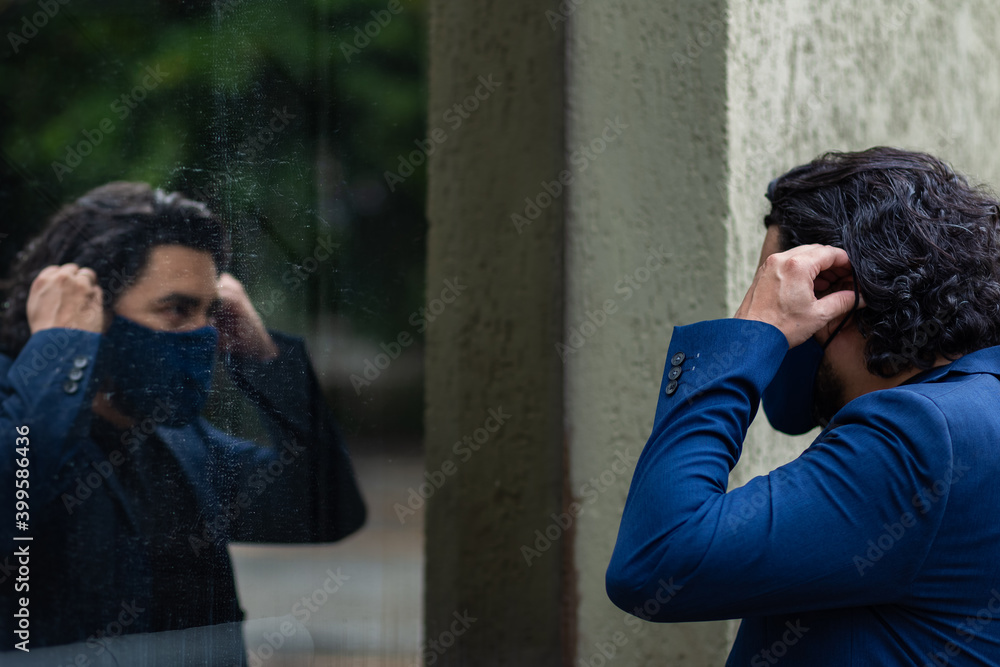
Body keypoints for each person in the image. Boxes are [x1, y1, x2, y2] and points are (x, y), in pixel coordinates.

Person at [606, 147, 1000, 665]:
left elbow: (656, 559)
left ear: (836, 292)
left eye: (772, 293)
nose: (762, 310)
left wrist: (749, 338)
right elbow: (792, 415)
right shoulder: (979, 401)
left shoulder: (922, 435)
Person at [0, 182, 366, 657]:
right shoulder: (19, 406)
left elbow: (327, 511)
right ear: (88, 308)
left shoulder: (180, 441)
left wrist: (265, 361)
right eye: (176, 309)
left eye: (210, 311)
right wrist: (59, 351)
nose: (203, 334)